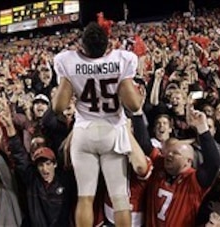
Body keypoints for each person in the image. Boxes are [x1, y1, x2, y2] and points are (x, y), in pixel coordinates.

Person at [52, 21, 145, 227]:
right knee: (120, 198)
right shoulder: (121, 59)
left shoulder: (68, 60)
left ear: (82, 45)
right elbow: (134, 104)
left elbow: (59, 107)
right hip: (113, 131)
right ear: (107, 44)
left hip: (84, 132)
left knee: (85, 197)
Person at [0, 96, 77, 227]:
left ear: (55, 164)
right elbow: (19, 155)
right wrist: (10, 128)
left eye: (48, 164)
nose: (44, 169)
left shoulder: (66, 180)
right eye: (40, 165)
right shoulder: (32, 180)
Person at [145, 97, 220, 226]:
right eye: (169, 152)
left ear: (188, 161)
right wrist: (137, 113)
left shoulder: (193, 181)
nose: (169, 155)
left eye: (176, 154)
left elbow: (213, 163)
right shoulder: (160, 166)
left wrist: (202, 128)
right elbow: (145, 145)